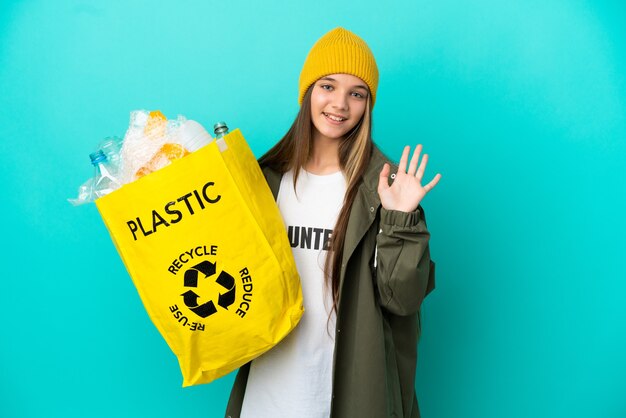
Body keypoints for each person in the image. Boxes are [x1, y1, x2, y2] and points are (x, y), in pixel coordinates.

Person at [225, 27, 440, 418]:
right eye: (327, 86)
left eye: (356, 93)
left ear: (367, 105)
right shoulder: (265, 179)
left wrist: (400, 221)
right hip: (268, 391)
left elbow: (403, 300)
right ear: (308, 92)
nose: (340, 104)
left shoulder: (386, 188)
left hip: (350, 394)